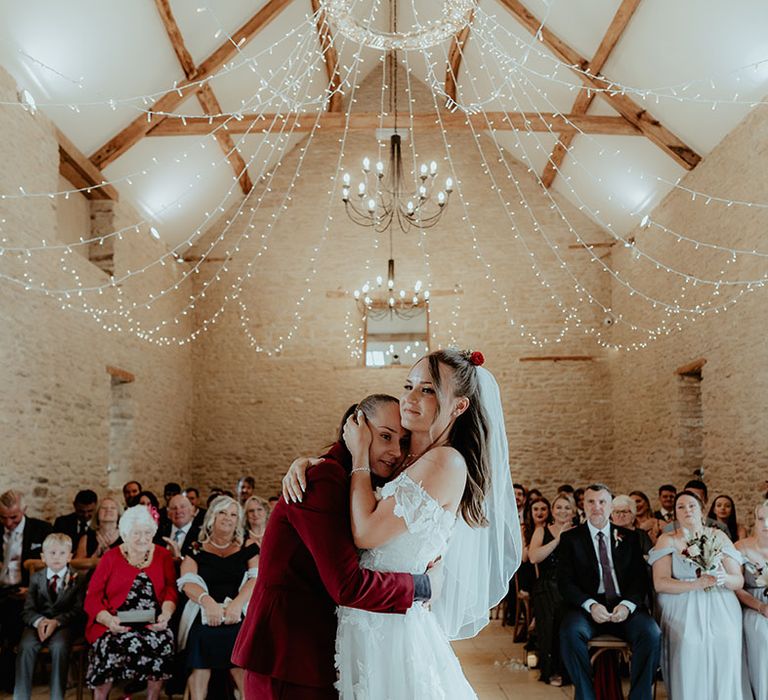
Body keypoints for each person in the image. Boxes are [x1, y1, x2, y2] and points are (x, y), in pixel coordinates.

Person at [331, 349, 520, 698]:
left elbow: (367, 531)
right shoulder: (408, 460)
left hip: (391, 629)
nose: (410, 399)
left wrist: (358, 455)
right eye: (409, 386)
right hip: (368, 617)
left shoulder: (444, 462)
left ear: (459, 406)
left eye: (428, 390)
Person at [234, 394, 441, 699]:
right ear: (356, 429)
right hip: (288, 653)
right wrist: (422, 585)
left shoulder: (360, 483)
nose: (396, 451)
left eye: (404, 441)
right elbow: (346, 585)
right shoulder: (323, 479)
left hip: (316, 651)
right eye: (385, 436)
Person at [557, 484, 660, 700]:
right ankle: (586, 695)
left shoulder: (629, 538)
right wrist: (590, 605)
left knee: (651, 633)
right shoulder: (570, 539)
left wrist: (628, 606)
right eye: (591, 502)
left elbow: (639, 581)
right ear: (583, 506)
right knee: (570, 632)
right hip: (587, 609)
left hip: (624, 606)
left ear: (610, 506)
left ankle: (639, 697)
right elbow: (565, 583)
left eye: (602, 502)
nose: (597, 507)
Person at [649, 491, 747, 699]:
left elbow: (738, 580)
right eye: (681, 507)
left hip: (720, 602)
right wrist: (696, 584)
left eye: (691, 506)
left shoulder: (719, 536)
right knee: (691, 645)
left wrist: (723, 578)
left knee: (725, 641)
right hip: (682, 603)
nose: (687, 511)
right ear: (675, 513)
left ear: (702, 509)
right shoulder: (667, 540)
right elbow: (660, 583)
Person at [84, 505, 177, 700]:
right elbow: (92, 596)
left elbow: (170, 590)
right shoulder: (110, 557)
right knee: (108, 646)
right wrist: (108, 621)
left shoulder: (163, 555)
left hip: (152, 621)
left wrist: (166, 615)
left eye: (147, 533)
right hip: (114, 623)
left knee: (162, 640)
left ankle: (153, 698)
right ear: (125, 534)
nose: (143, 538)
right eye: (136, 533)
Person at [178, 496, 258, 699]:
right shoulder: (196, 547)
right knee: (200, 638)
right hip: (204, 612)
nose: (228, 518)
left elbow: (256, 579)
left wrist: (237, 605)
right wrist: (208, 602)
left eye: (233, 514)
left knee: (240, 643)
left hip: (237, 612)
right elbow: (187, 582)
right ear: (212, 516)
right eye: (223, 512)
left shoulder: (247, 546)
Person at [14, 533, 87, 700]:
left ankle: (57, 696)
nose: (56, 557)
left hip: (64, 625)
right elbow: (28, 610)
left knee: (60, 647)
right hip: (37, 624)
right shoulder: (35, 578)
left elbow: (79, 610)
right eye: (52, 553)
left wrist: (57, 621)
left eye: (62, 553)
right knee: (25, 647)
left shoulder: (78, 579)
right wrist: (39, 621)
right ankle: (21, 696)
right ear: (43, 557)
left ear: (69, 557)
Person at [528, 492, 574, 686]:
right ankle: (552, 670)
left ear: (573, 511)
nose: (562, 511)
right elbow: (533, 557)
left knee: (568, 626)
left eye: (567, 507)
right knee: (550, 623)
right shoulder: (542, 531)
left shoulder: (578, 531)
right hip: (546, 585)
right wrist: (557, 540)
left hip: (570, 585)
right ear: (552, 511)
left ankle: (570, 669)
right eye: (559, 507)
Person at [735, 500, 768, 699]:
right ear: (754, 521)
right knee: (762, 633)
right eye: (761, 519)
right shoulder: (741, 547)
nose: (766, 524)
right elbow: (737, 587)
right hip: (752, 604)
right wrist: (761, 606)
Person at [155, 494, 200, 560]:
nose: (178, 511)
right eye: (174, 508)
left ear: (192, 511)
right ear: (168, 514)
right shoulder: (159, 533)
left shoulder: (200, 536)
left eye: (182, 507)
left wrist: (179, 558)